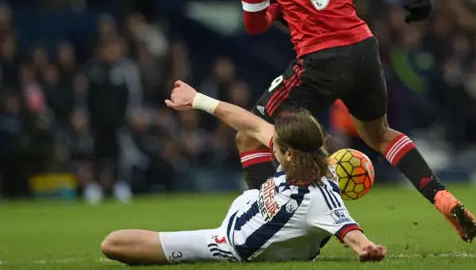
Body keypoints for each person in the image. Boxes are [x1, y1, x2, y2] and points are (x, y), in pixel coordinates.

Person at [238, 0, 476, 242]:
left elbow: (253, 25)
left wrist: (275, 10)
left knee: (248, 134)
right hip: (363, 48)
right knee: (378, 134)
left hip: (318, 59)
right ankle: (440, 194)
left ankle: (261, 222)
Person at [100, 81, 387, 265]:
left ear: (288, 153)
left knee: (112, 244)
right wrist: (197, 99)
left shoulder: (320, 198)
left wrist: (366, 248)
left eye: (278, 144)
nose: (273, 142)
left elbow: (349, 229)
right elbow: (250, 123)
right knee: (246, 136)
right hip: (249, 204)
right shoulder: (306, 154)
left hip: (228, 243)